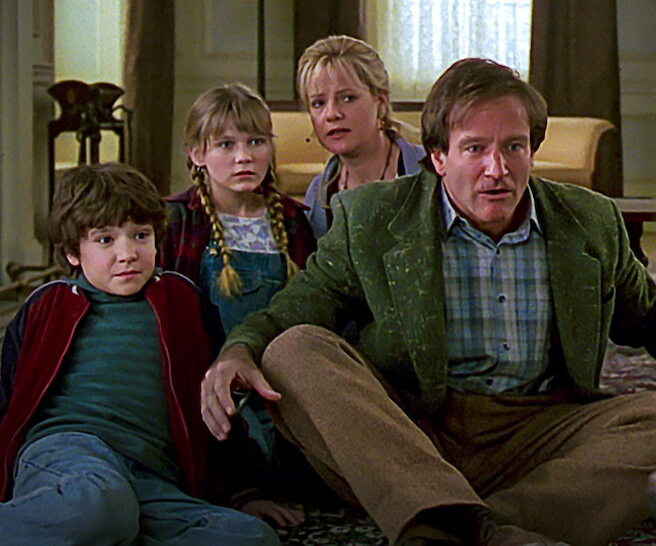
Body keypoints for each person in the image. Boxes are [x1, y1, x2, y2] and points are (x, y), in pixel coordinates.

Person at [199, 59, 656, 546]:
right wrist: (239, 349)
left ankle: (451, 525)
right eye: (475, 149)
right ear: (438, 157)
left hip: (540, 432)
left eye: (513, 146)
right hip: (413, 428)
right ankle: (484, 527)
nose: (497, 169)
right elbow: (297, 309)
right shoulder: (372, 218)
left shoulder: (587, 223)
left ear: (533, 150)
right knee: (293, 352)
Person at [0, 163, 288, 544]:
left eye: (140, 235)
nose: (127, 254)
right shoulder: (46, 305)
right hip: (69, 458)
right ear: (72, 252)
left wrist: (245, 491)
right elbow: (8, 401)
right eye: (105, 240)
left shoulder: (183, 301)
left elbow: (218, 400)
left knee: (252, 538)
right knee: (98, 506)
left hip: (151, 476)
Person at [157, 83, 317, 504]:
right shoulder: (174, 221)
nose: (244, 156)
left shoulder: (295, 221)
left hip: (281, 386)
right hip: (204, 385)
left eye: (256, 142)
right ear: (197, 154)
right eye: (226, 145)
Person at [297, 34, 426, 238]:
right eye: (318, 103)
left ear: (381, 102)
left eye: (348, 98)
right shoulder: (318, 196)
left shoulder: (431, 172)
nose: (332, 114)